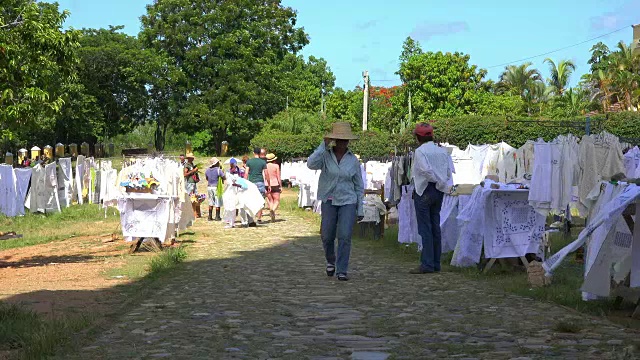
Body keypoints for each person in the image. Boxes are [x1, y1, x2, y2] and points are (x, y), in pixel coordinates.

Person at [307, 122, 364, 281]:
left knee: (345, 235)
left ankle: (342, 269)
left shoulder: (353, 160)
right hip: (329, 199)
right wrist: (322, 145)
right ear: (333, 140)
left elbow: (359, 185)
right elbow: (310, 164)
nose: (342, 143)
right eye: (339, 140)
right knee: (327, 235)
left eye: (345, 140)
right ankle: (330, 260)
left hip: (348, 200)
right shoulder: (325, 155)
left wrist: (360, 209)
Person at [410, 123, 452, 274]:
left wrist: (435, 180)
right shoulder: (442, 151)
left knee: (425, 228)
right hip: (439, 190)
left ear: (418, 137)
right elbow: (448, 172)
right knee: (435, 226)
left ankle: (427, 264)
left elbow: (425, 170)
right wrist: (441, 183)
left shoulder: (420, 151)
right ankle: (436, 263)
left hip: (425, 189)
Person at [244, 147, 267, 226]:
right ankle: (259, 218)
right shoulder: (263, 162)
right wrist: (268, 184)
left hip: (251, 183)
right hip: (260, 182)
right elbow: (266, 174)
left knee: (250, 201)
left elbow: (246, 173)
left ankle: (251, 219)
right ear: (260, 153)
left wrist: (244, 182)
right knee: (260, 201)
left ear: (254, 153)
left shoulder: (249, 162)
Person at [205, 157, 225, 221]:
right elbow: (224, 177)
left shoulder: (207, 170)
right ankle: (217, 216)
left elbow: (207, 178)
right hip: (216, 187)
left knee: (211, 201)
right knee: (217, 201)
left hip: (209, 187)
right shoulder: (218, 170)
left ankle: (210, 216)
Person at [265, 153, 282, 222]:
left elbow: (264, 175)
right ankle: (273, 210)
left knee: (270, 200)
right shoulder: (276, 166)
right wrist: (280, 185)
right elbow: (278, 176)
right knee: (277, 200)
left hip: (267, 184)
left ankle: (272, 214)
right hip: (275, 183)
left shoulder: (265, 166)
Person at [183, 152, 200, 218]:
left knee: (195, 197)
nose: (193, 159)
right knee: (189, 197)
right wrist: (193, 170)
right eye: (191, 158)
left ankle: (194, 212)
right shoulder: (187, 165)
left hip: (193, 182)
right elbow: (185, 174)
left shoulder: (192, 164)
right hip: (189, 183)